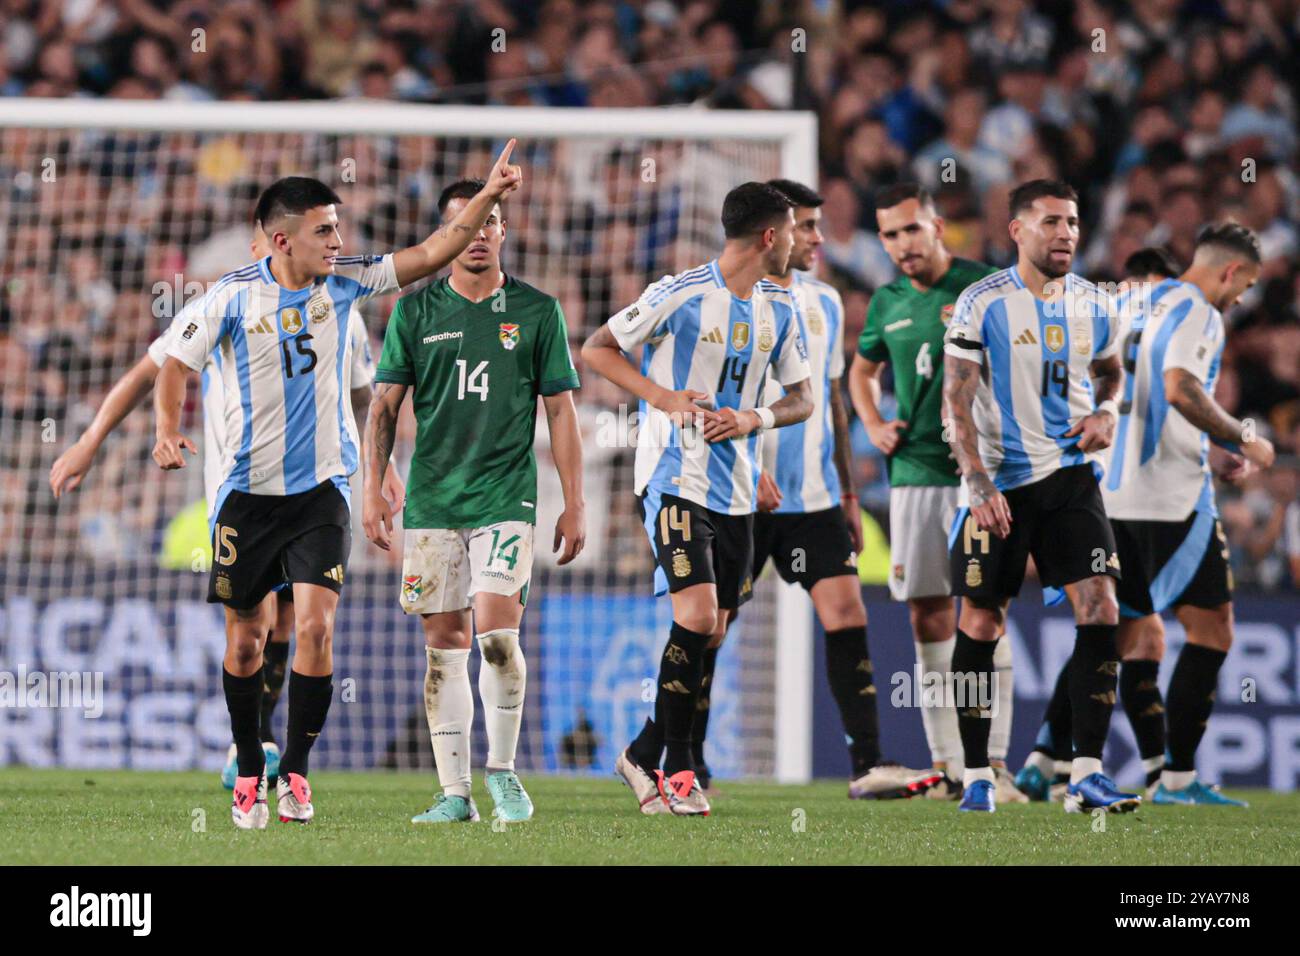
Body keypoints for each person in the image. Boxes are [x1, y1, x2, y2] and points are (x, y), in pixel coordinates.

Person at [152, 142, 522, 828]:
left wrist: (489, 198)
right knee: (246, 644)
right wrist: (168, 430)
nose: (338, 241)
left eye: (338, 227)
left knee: (317, 631)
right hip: (245, 495)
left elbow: (434, 251)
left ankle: (294, 772)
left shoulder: (344, 282)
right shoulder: (231, 297)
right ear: (283, 237)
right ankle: (248, 762)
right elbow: (175, 364)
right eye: (325, 229)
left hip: (321, 493)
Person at [49, 228, 405, 791]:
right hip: (240, 494)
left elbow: (364, 395)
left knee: (293, 619)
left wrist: (384, 465)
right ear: (263, 249)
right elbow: (150, 372)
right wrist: (89, 441)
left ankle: (268, 744)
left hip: (315, 490)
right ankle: (252, 744)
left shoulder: (342, 308)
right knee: (251, 629)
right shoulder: (223, 305)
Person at [582, 182, 813, 816]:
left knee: (711, 634)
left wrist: (753, 420)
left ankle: (640, 753)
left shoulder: (782, 311)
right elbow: (597, 349)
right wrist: (664, 398)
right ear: (769, 237)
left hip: (737, 491)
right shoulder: (678, 293)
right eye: (793, 230)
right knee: (700, 616)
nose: (797, 241)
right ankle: (682, 769)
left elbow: (804, 398)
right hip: (672, 479)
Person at [1021, 227, 1272, 807]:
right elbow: (1180, 388)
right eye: (1246, 286)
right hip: (1169, 500)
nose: (1240, 301)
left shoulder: (1125, 301)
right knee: (1208, 628)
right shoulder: (1200, 312)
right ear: (1230, 273)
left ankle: (1044, 758)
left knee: (1119, 631)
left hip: (1109, 490)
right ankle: (1175, 778)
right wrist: (1244, 435)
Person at [705, 178, 938, 800]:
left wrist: (849, 493)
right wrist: (745, 466)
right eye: (808, 226)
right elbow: (719, 397)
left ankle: (868, 765)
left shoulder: (827, 304)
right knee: (711, 625)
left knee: (846, 611)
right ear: (774, 233)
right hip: (743, 494)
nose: (818, 239)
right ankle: (667, 753)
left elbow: (831, 397)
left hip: (812, 498)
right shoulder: (728, 300)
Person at [362, 178, 585, 825]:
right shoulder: (415, 312)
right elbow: (384, 406)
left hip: (505, 498)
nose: (479, 236)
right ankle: (454, 794)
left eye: (491, 223)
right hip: (432, 504)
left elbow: (562, 412)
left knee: (495, 635)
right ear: (448, 236)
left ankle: (504, 775)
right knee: (444, 647)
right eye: (467, 224)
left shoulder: (539, 312)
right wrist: (375, 484)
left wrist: (575, 502)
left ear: (504, 232)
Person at [941, 179, 1134, 814]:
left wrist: (1107, 410)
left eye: (1074, 223)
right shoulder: (982, 303)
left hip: (1072, 478)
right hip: (999, 484)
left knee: (1103, 607)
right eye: (1051, 222)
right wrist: (976, 482)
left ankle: (1085, 775)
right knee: (981, 620)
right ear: (1017, 231)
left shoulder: (1095, 304)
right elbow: (956, 397)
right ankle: (975, 774)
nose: (1066, 234)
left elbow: (1111, 370)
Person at [847, 182, 1021, 802]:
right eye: (889, 234)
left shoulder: (984, 288)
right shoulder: (886, 301)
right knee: (927, 610)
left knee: (984, 611)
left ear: (937, 226)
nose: (901, 245)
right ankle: (950, 765)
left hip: (978, 474)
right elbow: (860, 370)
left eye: (910, 229)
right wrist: (869, 420)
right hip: (915, 475)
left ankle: (994, 764)